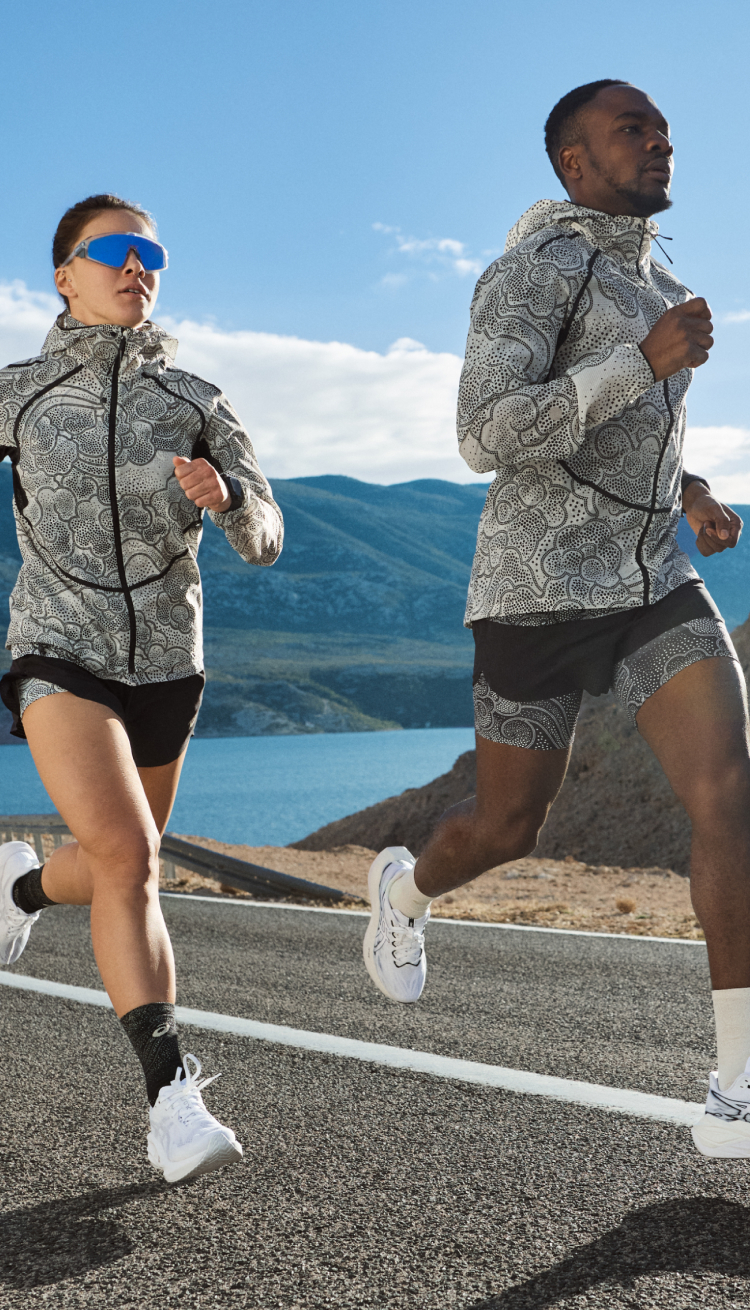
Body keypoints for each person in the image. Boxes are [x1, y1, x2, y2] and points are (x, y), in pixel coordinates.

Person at [363, 80, 750, 1159]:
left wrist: (691, 492)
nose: (660, 140)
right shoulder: (533, 268)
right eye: (633, 128)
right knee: (507, 828)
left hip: (652, 580)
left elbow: (635, 436)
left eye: (664, 127)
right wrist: (643, 361)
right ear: (574, 161)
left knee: (731, 795)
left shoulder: (663, 281)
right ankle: (406, 889)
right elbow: (483, 432)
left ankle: (736, 1085)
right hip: (537, 587)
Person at [0, 194, 283, 1182]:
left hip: (168, 663)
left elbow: (266, 534)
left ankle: (19, 886)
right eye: (115, 250)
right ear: (65, 275)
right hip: (57, 647)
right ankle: (171, 1099)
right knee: (127, 854)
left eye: (151, 255)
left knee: (124, 860)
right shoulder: (19, 393)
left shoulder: (197, 400)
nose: (137, 267)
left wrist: (232, 498)